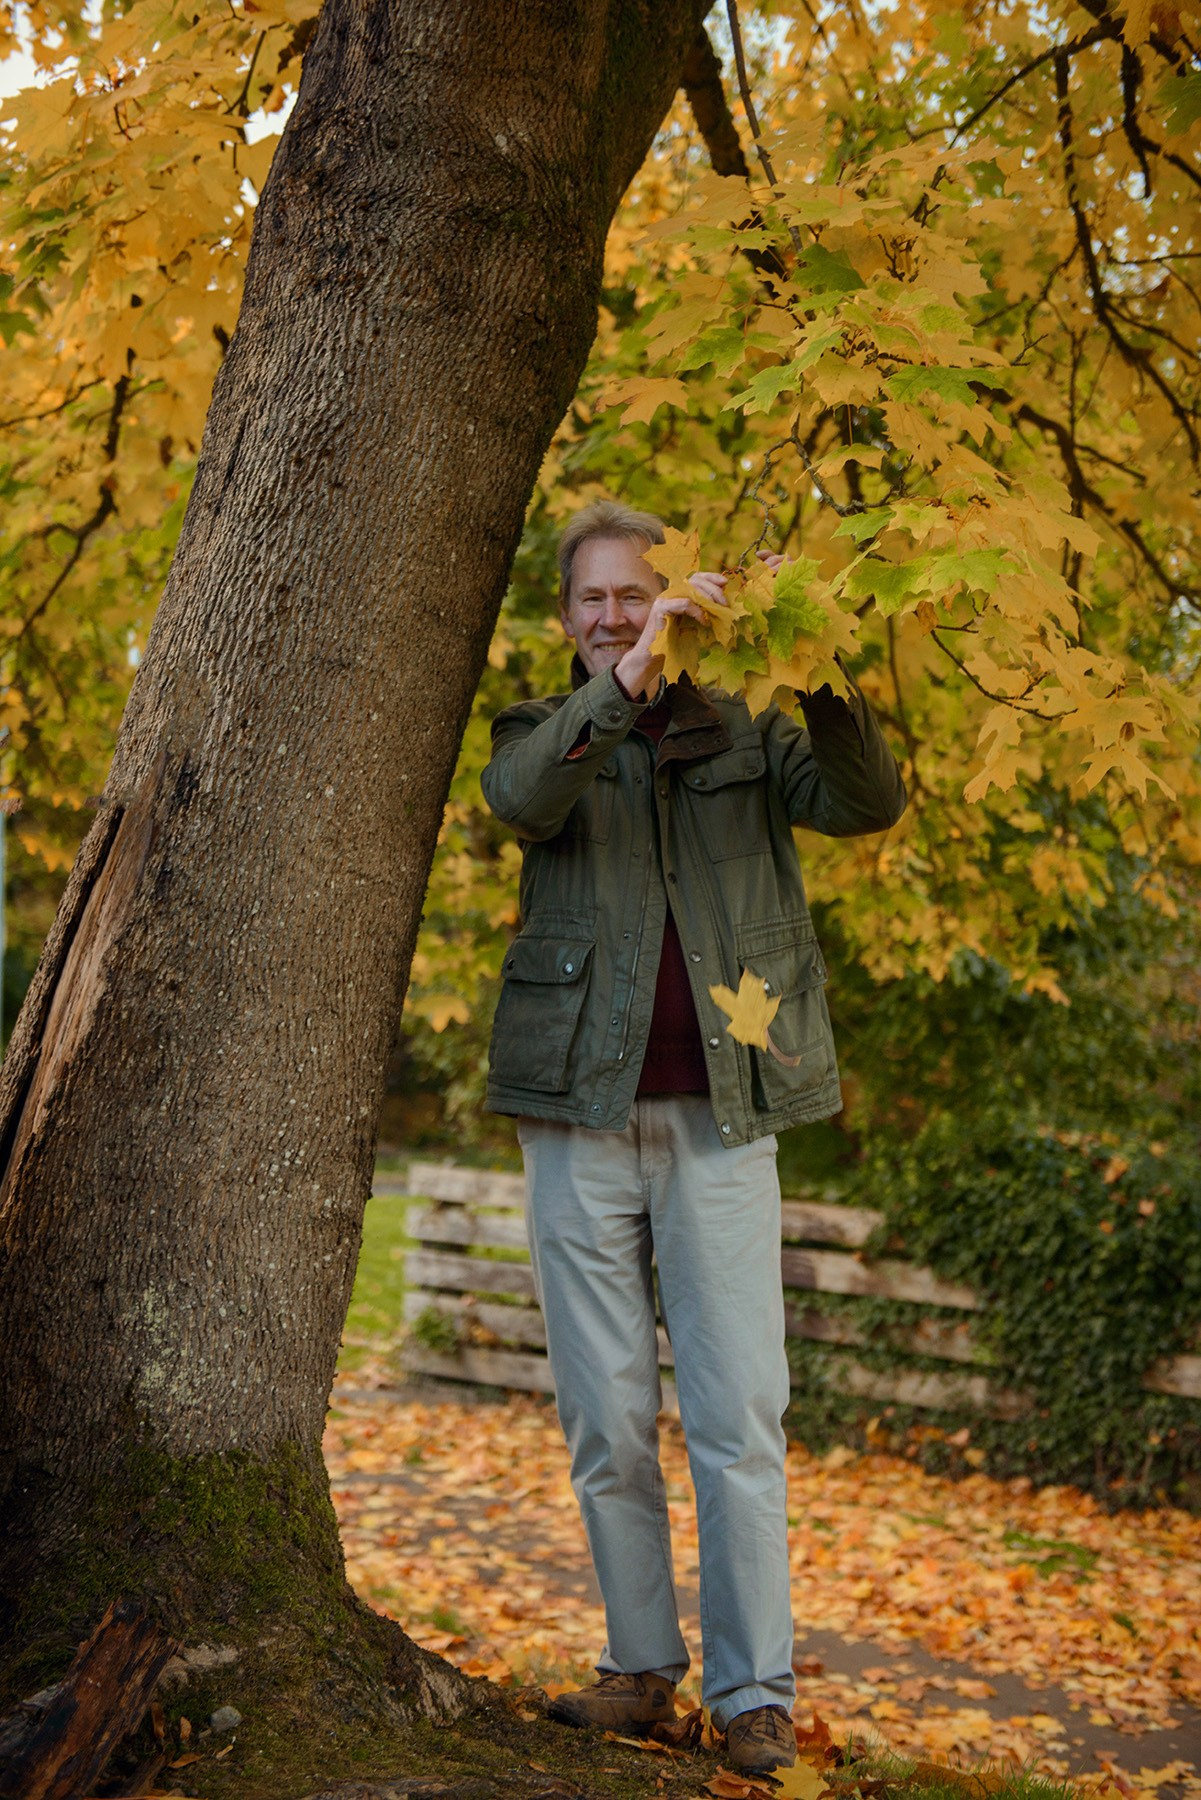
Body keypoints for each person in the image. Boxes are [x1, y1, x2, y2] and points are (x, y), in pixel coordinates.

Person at [480, 499, 906, 1774]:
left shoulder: (754, 731)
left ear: (680, 601)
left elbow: (866, 800)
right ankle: (637, 1666)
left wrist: (812, 648)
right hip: (576, 1112)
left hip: (728, 1117)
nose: (617, 614)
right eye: (597, 599)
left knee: (737, 1417)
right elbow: (518, 803)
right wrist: (621, 683)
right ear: (570, 618)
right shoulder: (542, 731)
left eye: (639, 594)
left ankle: (752, 1694)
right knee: (605, 1418)